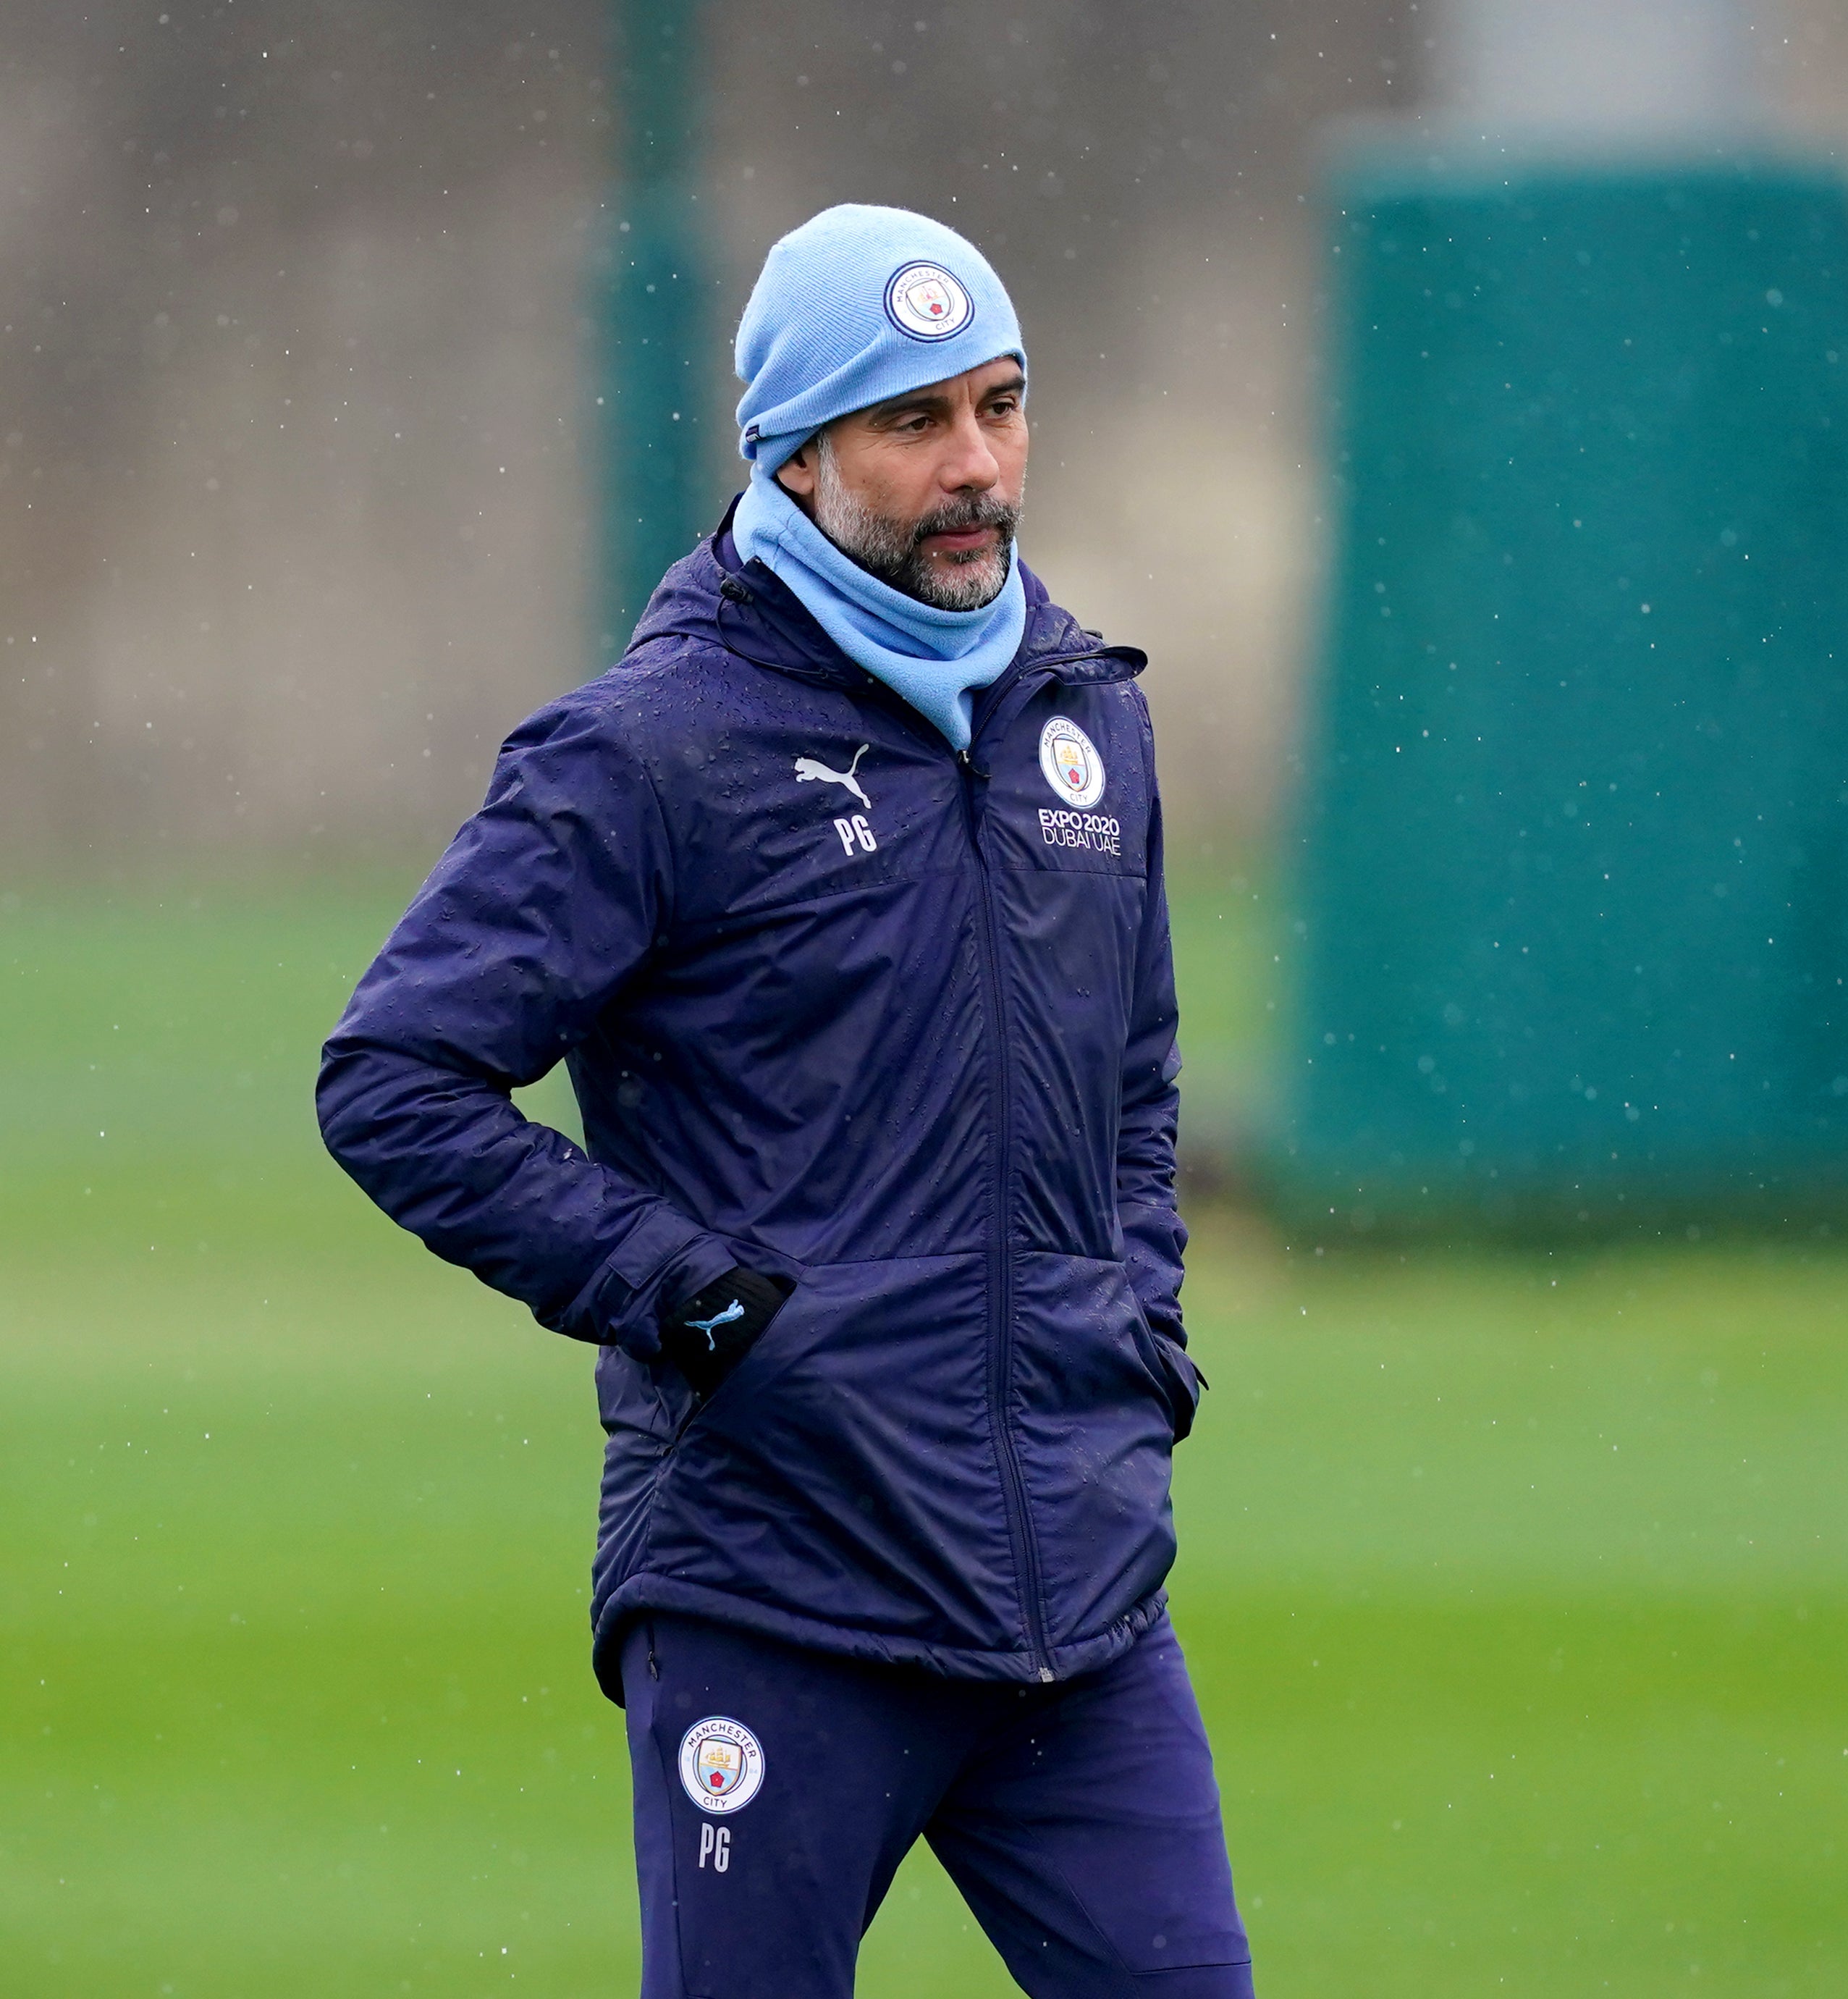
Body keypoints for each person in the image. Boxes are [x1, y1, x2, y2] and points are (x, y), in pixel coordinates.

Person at [317, 204, 1252, 1999]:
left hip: (1079, 1598)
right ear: (796, 456)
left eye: (1000, 404)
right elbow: (394, 1077)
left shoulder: (1085, 720)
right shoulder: (650, 749)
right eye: (915, 424)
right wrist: (703, 1302)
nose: (974, 467)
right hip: (780, 1591)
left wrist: (1138, 1332)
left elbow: (1133, 1077)